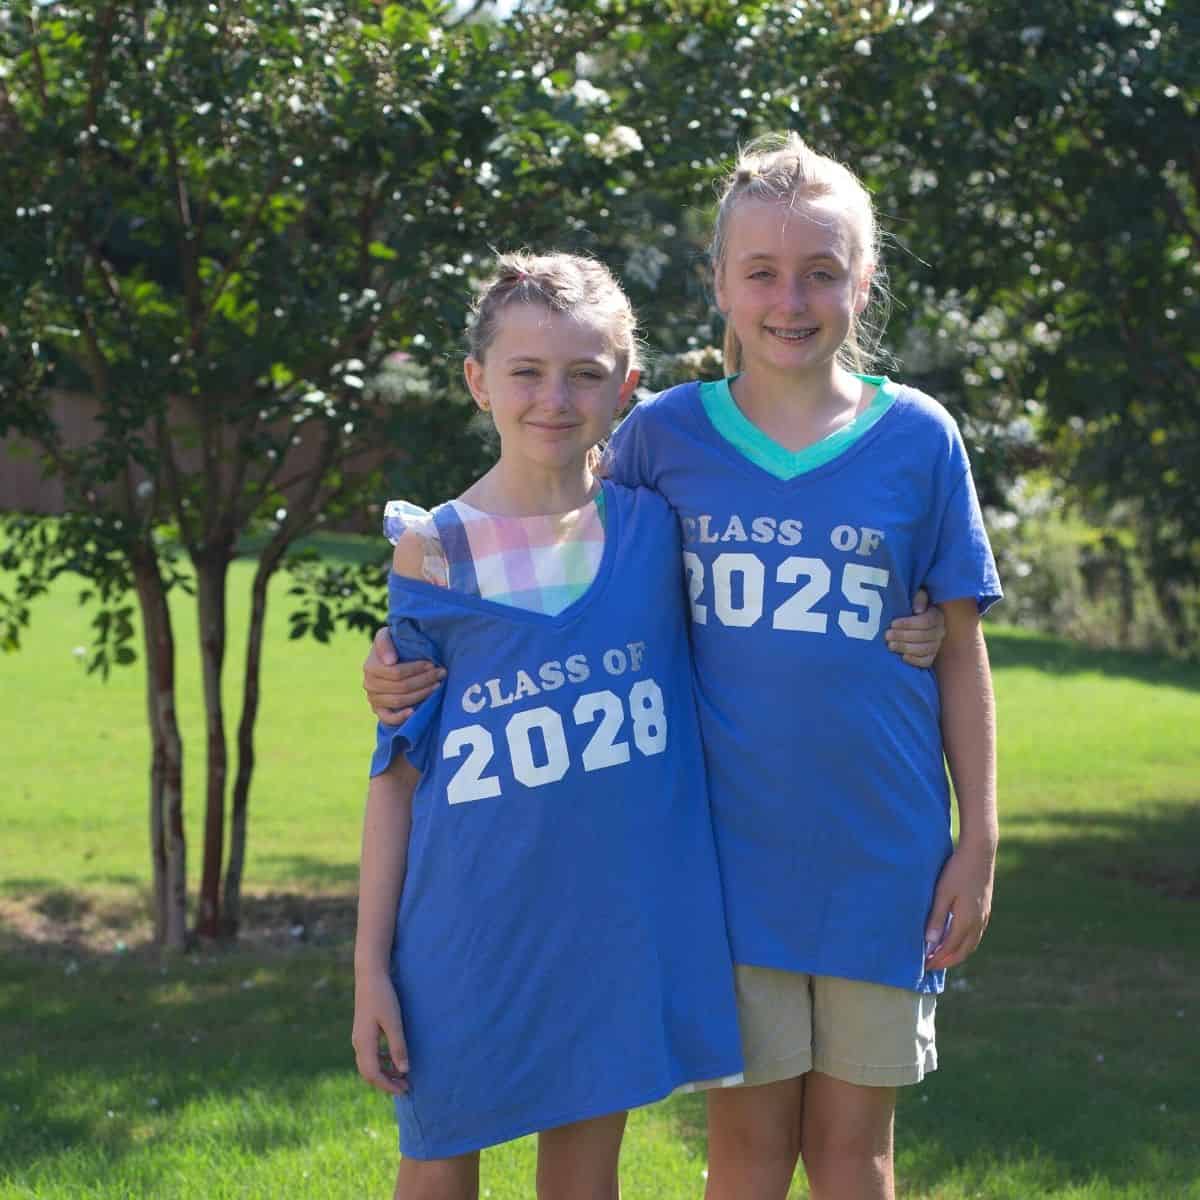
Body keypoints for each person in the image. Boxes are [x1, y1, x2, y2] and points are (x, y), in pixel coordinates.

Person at [364, 133, 1000, 1200]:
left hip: (883, 860)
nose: (790, 298)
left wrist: (979, 837)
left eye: (822, 271)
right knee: (747, 1155)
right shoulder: (664, 439)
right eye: (760, 271)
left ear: (866, 279)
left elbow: (962, 646)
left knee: (856, 1155)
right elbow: (542, 518)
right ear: (717, 284)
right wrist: (399, 659)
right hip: (725, 869)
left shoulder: (921, 439)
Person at [352, 252, 746, 1200]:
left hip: (610, 929)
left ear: (627, 384)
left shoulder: (655, 530)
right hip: (464, 933)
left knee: (583, 1173)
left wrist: (925, 622)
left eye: (585, 372)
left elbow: (767, 640)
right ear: (478, 381)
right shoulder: (434, 550)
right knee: (439, 1158)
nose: (554, 398)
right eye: (526, 371)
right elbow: (398, 773)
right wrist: (369, 965)